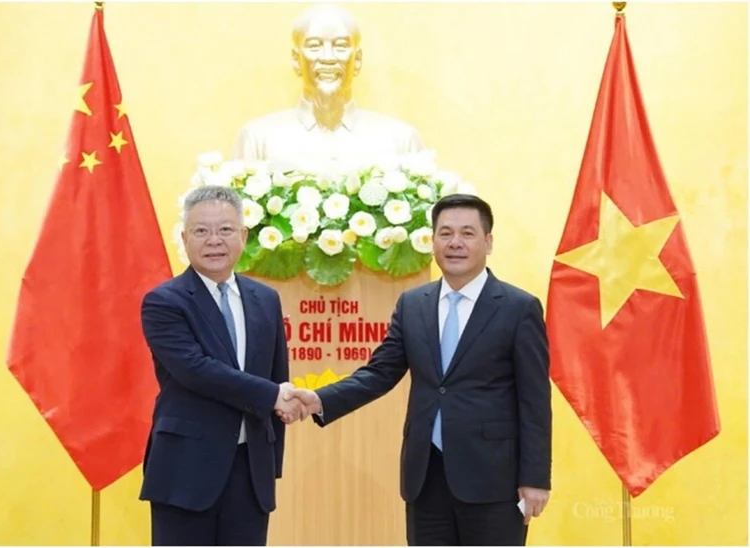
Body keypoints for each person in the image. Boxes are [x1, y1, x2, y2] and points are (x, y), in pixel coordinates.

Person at [284, 194, 552, 546]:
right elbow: (379, 373)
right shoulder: (414, 305)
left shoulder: (519, 308)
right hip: (425, 477)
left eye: (467, 233)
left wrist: (535, 478)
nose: (455, 243)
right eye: (445, 233)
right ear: (433, 240)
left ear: (488, 242)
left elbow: (535, 400)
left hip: (494, 480)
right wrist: (319, 399)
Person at [139, 186, 305, 546]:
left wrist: (271, 460)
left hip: (250, 471)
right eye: (201, 231)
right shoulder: (163, 302)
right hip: (184, 471)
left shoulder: (265, 299)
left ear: (243, 236)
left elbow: (278, 375)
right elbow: (195, 370)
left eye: (226, 230)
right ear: (184, 238)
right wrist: (274, 395)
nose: (214, 240)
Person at [231, 3, 423, 167]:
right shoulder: (258, 139)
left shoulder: (400, 141)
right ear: (296, 60)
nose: (328, 58)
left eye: (340, 46)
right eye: (314, 46)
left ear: (357, 60)